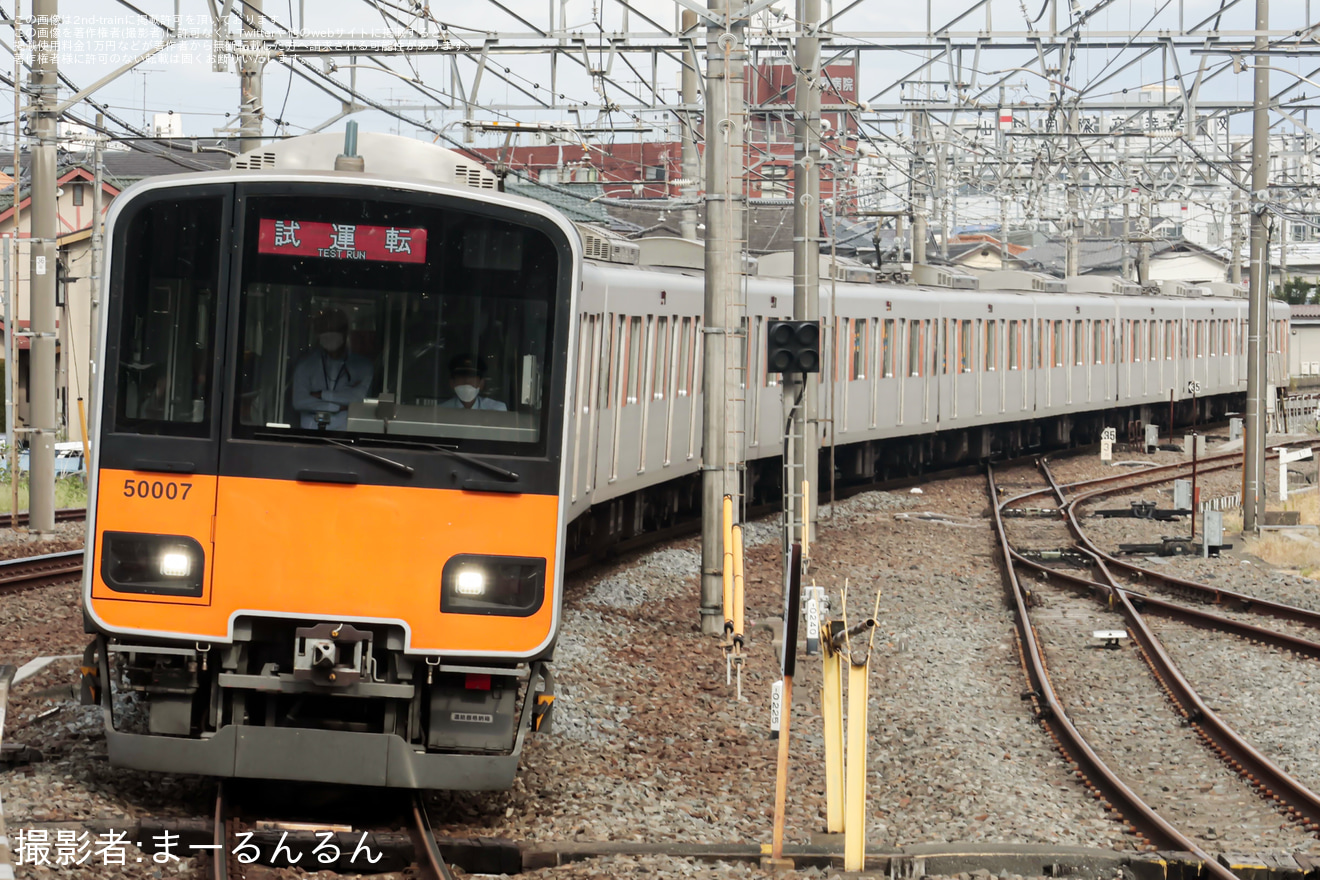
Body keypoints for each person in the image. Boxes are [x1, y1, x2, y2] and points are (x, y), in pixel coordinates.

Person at [292, 308, 374, 430]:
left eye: (335, 329)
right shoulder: (306, 364)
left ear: (345, 332)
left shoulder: (363, 366)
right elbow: (299, 401)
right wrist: (339, 406)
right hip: (310, 432)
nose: (330, 333)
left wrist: (320, 395)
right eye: (325, 329)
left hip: (347, 433)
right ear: (318, 333)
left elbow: (360, 399)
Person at [440, 354, 507, 411]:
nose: (466, 381)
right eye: (461, 376)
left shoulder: (496, 410)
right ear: (452, 383)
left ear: (481, 383)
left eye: (472, 376)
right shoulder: (442, 410)